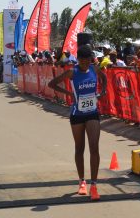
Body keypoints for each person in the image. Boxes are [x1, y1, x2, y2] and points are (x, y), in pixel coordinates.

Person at [48, 45, 107, 200]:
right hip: (77, 114)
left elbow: (104, 78)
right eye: (82, 61)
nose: (85, 64)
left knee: (94, 147)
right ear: (78, 60)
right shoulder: (72, 72)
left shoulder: (94, 69)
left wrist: (103, 91)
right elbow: (52, 84)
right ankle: (82, 181)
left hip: (92, 113)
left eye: (88, 61)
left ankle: (94, 185)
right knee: (79, 148)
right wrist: (69, 94)